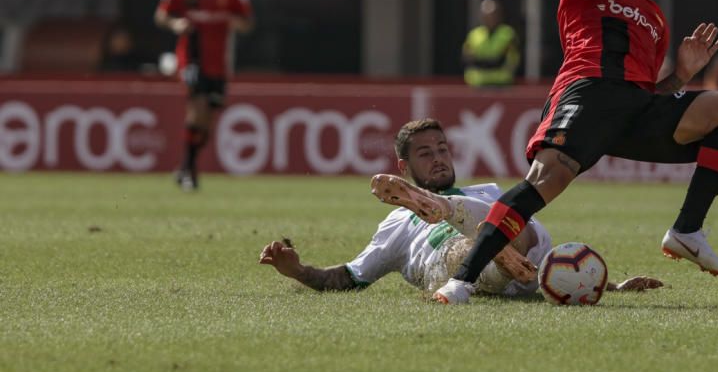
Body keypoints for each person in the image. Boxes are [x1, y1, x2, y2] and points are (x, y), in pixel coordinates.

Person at [374, 0, 718, 305]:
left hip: (635, 110)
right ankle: (462, 282)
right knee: (544, 182)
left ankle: (686, 231)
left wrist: (682, 76)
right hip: (588, 90)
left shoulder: (657, 20)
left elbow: (648, 93)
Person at [259, 119, 662, 296]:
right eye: (424, 154)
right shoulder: (397, 220)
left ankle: (457, 218)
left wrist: (610, 286)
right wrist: (298, 271)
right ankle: (473, 238)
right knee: (466, 250)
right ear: (404, 168)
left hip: (521, 253)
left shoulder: (486, 188)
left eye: (441, 149)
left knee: (514, 224)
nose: (437, 159)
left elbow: (549, 272)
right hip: (450, 261)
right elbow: (350, 276)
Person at [154, 0, 253, 190]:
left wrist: (236, 22)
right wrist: (176, 24)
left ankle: (185, 166)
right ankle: (190, 172)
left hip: (218, 64)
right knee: (196, 109)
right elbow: (161, 15)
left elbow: (247, 21)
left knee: (206, 121)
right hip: (191, 59)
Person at [462, 0, 520, 87]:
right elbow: (468, 59)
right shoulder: (474, 35)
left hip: (501, 84)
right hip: (477, 84)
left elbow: (512, 60)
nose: (490, 19)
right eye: (486, 16)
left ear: (499, 15)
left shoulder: (508, 34)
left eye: (493, 15)